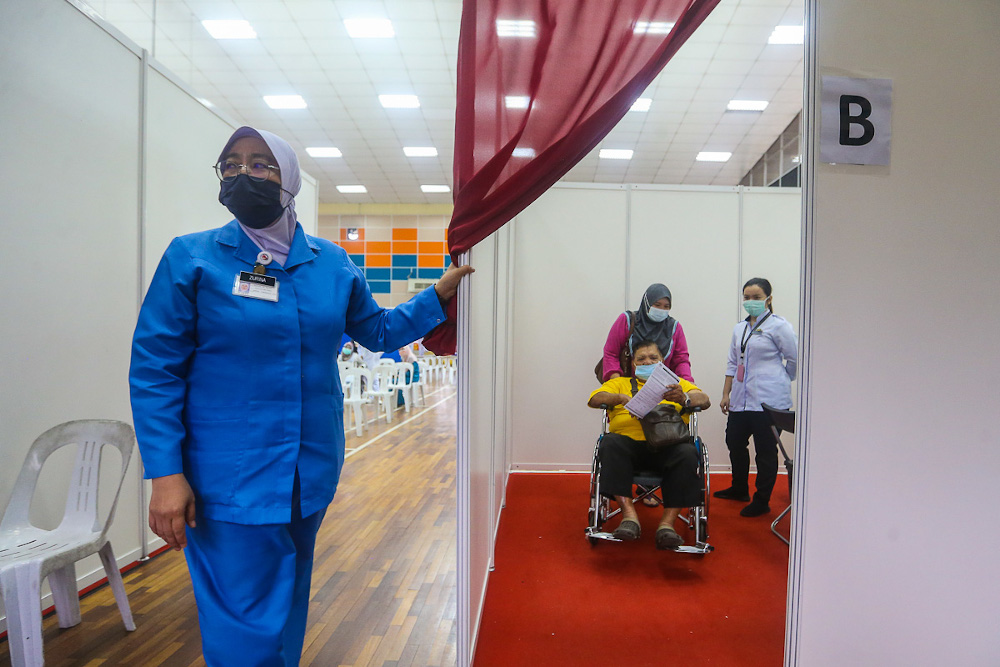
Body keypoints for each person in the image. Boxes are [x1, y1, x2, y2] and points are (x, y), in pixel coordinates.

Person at [128, 125, 473, 667]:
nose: (245, 174)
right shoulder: (192, 258)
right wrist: (165, 474)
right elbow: (155, 370)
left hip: (308, 468)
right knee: (242, 618)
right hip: (227, 475)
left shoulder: (331, 264)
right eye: (232, 164)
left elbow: (377, 332)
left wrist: (438, 293)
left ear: (287, 178)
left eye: (260, 164)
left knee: (288, 596)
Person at [588, 340, 711, 549]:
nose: (648, 361)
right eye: (641, 359)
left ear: (662, 361)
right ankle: (629, 517)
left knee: (689, 451)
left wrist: (684, 399)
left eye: (653, 358)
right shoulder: (622, 383)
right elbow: (594, 399)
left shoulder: (676, 384)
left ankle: (667, 526)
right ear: (634, 364)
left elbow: (704, 399)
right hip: (629, 448)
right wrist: (618, 398)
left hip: (669, 446)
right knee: (609, 443)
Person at [715, 278, 797, 517]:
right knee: (734, 441)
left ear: (769, 299)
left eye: (756, 298)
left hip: (768, 400)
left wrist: (780, 379)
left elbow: (794, 359)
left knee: (765, 451)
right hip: (741, 399)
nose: (750, 302)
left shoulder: (779, 326)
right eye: (747, 298)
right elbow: (733, 362)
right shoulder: (739, 328)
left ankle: (762, 501)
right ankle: (739, 488)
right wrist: (725, 393)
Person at [601, 283, 693, 382]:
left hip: (662, 387)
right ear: (647, 303)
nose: (661, 310)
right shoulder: (627, 321)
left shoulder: (674, 328)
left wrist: (688, 384)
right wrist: (616, 384)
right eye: (657, 305)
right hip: (627, 385)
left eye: (666, 306)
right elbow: (611, 353)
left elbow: (681, 360)